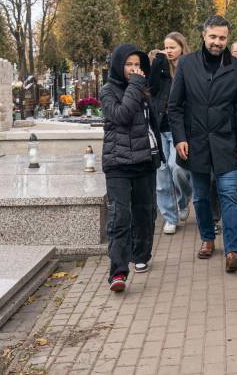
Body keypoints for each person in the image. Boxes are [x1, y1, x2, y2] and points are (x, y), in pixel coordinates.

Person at [168, 15, 237, 273]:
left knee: (229, 195)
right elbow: (175, 106)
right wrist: (180, 138)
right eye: (213, 36)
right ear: (204, 35)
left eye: (222, 38)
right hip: (196, 144)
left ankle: (233, 250)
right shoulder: (187, 64)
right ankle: (207, 237)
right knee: (201, 196)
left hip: (227, 143)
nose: (217, 42)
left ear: (227, 39)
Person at [99, 43, 161, 292]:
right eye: (129, 64)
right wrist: (135, 85)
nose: (134, 69)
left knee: (145, 213)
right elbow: (121, 115)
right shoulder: (107, 91)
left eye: (138, 65)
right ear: (118, 65)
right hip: (118, 163)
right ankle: (118, 272)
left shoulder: (143, 89)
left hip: (144, 161)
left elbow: (151, 123)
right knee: (120, 216)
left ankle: (141, 254)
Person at [149, 33, 193, 235]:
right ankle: (170, 217)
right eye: (166, 47)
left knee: (178, 168)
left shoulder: (189, 67)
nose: (168, 51)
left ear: (182, 47)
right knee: (162, 175)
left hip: (179, 129)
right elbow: (150, 88)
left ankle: (183, 201)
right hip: (160, 127)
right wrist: (157, 63)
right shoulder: (161, 67)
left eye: (172, 47)